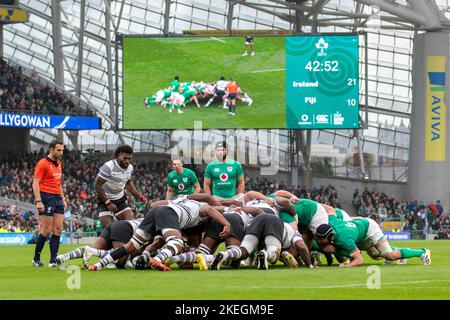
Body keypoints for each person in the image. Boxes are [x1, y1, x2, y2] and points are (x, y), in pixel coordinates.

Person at [88, 196, 230, 272]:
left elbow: (154, 205)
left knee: (131, 246)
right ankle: (158, 259)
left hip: (155, 213)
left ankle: (99, 265)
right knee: (176, 243)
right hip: (168, 213)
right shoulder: (200, 206)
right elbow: (210, 209)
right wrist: (226, 223)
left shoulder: (183, 202)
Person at [315, 216, 431, 268]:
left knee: (389, 256)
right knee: (375, 255)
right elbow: (330, 211)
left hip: (370, 230)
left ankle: (422, 252)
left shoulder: (344, 239)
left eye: (321, 239)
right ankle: (401, 253)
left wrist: (347, 266)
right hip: (359, 229)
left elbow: (360, 260)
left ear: (329, 236)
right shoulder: (330, 222)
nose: (319, 241)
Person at [32, 140, 68, 267]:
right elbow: (35, 182)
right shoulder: (42, 164)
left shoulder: (59, 164)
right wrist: (38, 201)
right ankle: (36, 258)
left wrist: (63, 199)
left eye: (62, 150)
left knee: (58, 230)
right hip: (46, 197)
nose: (61, 152)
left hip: (57, 198)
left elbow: (58, 183)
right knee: (46, 230)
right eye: (58, 150)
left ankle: (53, 261)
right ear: (51, 149)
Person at [95, 145, 148, 228]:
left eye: (129, 159)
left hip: (120, 200)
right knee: (109, 231)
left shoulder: (130, 168)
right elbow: (97, 185)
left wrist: (139, 195)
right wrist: (108, 203)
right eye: (125, 158)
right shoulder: (108, 167)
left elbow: (127, 183)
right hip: (105, 201)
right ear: (118, 155)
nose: (127, 161)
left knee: (130, 227)